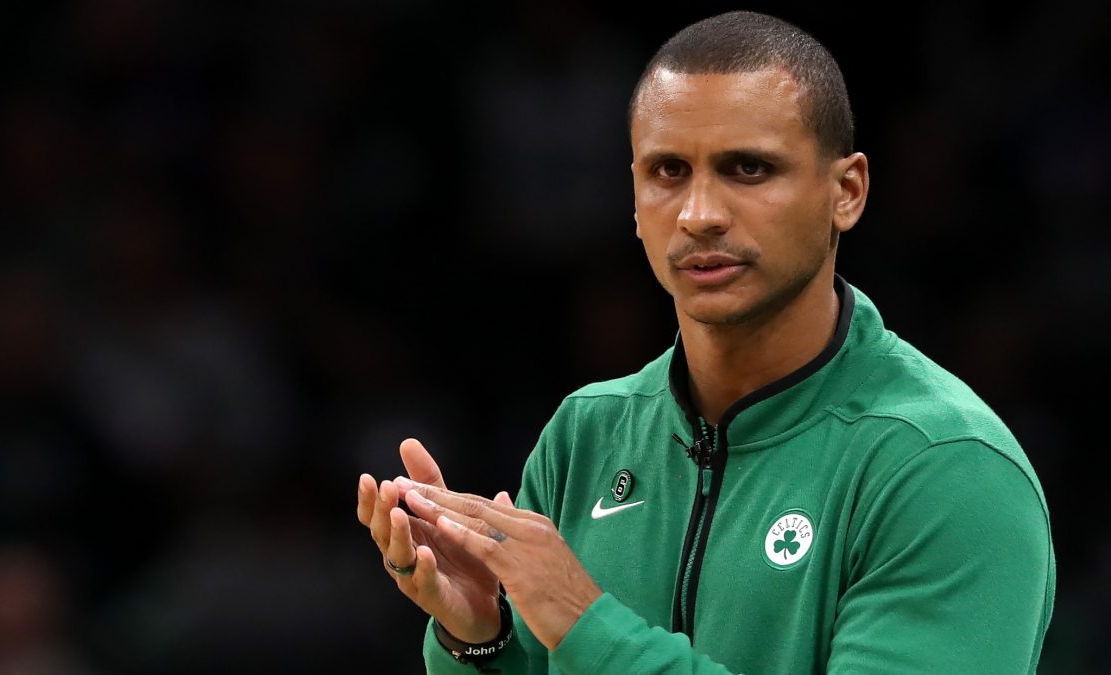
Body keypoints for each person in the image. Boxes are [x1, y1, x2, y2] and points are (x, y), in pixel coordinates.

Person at [357, 10, 1056, 674]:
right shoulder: (585, 435)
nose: (699, 214)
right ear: (635, 200)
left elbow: (585, 635)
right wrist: (483, 641)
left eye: (748, 169)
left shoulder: (948, 467)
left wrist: (583, 622)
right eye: (668, 172)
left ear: (846, 191)